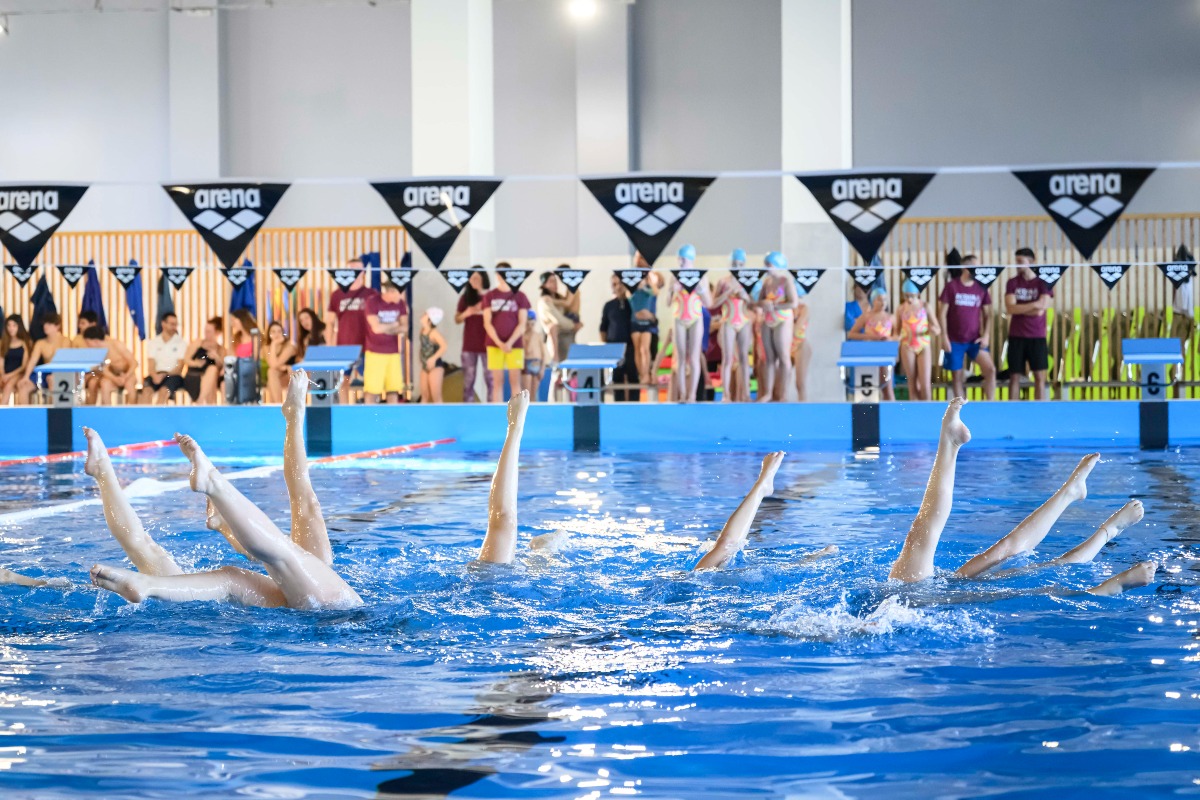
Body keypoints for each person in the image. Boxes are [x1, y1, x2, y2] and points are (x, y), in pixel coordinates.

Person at [89, 371, 362, 609]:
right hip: (327, 612)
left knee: (287, 549)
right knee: (241, 573)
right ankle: (149, 582)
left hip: (331, 609)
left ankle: (214, 485)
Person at [888, 397, 1155, 595]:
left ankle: (1070, 493)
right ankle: (1110, 547)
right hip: (924, 604)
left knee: (1004, 550)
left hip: (919, 593)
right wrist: (1117, 578)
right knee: (1041, 575)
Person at [939, 254, 996, 400]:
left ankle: (990, 405)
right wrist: (944, 337)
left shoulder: (981, 288)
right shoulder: (951, 286)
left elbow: (989, 314)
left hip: (974, 340)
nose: (978, 270)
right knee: (957, 377)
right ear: (965, 267)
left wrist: (986, 335)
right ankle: (964, 410)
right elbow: (942, 313)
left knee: (990, 370)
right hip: (954, 340)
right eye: (975, 267)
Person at [1005, 247, 1052, 400]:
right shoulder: (1012, 282)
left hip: (1037, 336)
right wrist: (1034, 304)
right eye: (1016, 261)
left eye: (1020, 261)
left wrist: (1021, 308)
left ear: (1031, 262)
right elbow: (1010, 308)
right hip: (1016, 335)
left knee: (1039, 376)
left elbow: (1042, 309)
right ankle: (1012, 408)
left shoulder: (1042, 283)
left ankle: (1040, 409)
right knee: (1014, 376)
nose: (1017, 265)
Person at [669, 244, 713, 403]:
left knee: (694, 358)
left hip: (695, 318)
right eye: (678, 258)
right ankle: (682, 394)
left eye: (682, 258)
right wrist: (672, 290)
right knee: (681, 358)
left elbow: (709, 303)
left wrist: (701, 290)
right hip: (679, 317)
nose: (679, 261)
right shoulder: (674, 276)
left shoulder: (701, 276)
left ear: (690, 259)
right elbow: (668, 302)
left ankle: (692, 394)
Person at [327, 260, 376, 403]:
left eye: (358, 269)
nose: (354, 272)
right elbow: (329, 322)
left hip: (367, 346)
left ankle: (370, 412)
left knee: (370, 382)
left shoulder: (371, 294)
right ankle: (343, 410)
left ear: (364, 272)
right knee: (343, 382)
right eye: (351, 269)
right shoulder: (337, 295)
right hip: (344, 346)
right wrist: (330, 345)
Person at [482, 268, 531, 403]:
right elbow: (487, 323)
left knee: (515, 381)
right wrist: (499, 343)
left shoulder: (520, 296)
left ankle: (517, 415)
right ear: (497, 275)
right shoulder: (490, 296)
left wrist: (509, 343)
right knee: (497, 382)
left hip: (514, 345)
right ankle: (496, 412)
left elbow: (522, 323)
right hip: (494, 344)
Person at [755, 252, 799, 402]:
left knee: (784, 357)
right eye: (766, 264)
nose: (766, 267)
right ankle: (768, 393)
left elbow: (794, 303)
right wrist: (764, 304)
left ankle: (783, 393)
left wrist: (774, 305)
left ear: (778, 265)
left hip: (782, 319)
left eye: (769, 264)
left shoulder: (786, 281)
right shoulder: (766, 282)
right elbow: (758, 302)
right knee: (769, 358)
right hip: (768, 319)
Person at [363, 280, 409, 405]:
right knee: (372, 390)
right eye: (400, 293)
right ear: (391, 292)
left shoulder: (400, 304)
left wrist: (386, 327)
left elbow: (405, 327)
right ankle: (370, 416)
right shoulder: (373, 302)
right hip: (374, 352)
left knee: (393, 389)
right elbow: (376, 328)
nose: (401, 297)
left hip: (393, 352)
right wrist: (394, 324)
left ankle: (392, 419)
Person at [847, 287, 897, 400]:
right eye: (879, 299)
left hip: (885, 355)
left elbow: (897, 335)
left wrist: (890, 338)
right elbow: (851, 334)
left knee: (887, 388)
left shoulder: (891, 318)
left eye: (885, 299)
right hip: (869, 354)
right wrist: (871, 337)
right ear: (873, 301)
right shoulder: (866, 316)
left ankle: (891, 413)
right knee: (869, 389)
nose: (883, 302)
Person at [896, 280, 940, 402]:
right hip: (907, 346)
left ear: (918, 294)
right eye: (906, 296)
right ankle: (914, 413)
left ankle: (927, 411)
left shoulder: (925, 306)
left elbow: (938, 329)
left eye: (912, 296)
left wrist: (932, 329)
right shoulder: (901, 309)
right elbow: (897, 332)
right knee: (912, 384)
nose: (909, 299)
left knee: (925, 384)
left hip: (923, 345)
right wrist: (896, 342)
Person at [599, 273, 638, 401]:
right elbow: (603, 328)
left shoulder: (632, 303)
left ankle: (635, 406)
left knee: (633, 378)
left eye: (621, 283)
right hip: (614, 349)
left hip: (632, 347)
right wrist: (606, 347)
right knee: (617, 379)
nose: (618, 287)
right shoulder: (609, 306)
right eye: (615, 284)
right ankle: (618, 405)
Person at [712, 275, 752, 403]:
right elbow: (713, 303)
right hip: (727, 320)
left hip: (743, 320)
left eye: (740, 264)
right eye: (735, 263)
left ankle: (746, 393)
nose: (737, 266)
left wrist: (745, 297)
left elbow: (754, 304)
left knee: (744, 358)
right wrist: (727, 293)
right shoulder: (723, 281)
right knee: (727, 359)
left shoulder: (747, 280)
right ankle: (726, 394)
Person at [455, 269, 493, 403]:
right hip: (469, 345)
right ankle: (468, 407)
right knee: (468, 380)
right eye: (471, 278)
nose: (474, 281)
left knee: (491, 380)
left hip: (488, 345)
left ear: (484, 279)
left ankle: (492, 408)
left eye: (477, 278)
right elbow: (457, 319)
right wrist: (468, 312)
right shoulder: (465, 298)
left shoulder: (490, 297)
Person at [17, 312, 66, 404]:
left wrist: (55, 374)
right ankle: (25, 416)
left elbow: (64, 361)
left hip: (60, 372)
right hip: (44, 372)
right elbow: (33, 361)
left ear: (57, 326)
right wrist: (26, 377)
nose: (45, 326)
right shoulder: (40, 343)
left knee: (52, 380)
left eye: (49, 324)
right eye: (44, 324)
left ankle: (52, 414)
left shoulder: (65, 341)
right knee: (23, 386)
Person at [141, 311, 187, 405]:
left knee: (163, 392)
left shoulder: (181, 343)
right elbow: (151, 364)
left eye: (175, 324)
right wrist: (154, 376)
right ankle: (144, 417)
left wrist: (166, 374)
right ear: (163, 324)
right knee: (146, 392)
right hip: (156, 374)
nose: (174, 327)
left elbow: (180, 366)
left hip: (172, 375)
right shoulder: (154, 342)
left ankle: (158, 418)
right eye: (172, 324)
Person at [83, 325, 137, 405]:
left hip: (127, 373)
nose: (87, 345)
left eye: (88, 343)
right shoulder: (97, 352)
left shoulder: (116, 345)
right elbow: (104, 370)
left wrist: (126, 376)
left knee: (130, 387)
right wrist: (115, 378)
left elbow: (133, 362)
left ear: (95, 341)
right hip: (112, 375)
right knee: (105, 384)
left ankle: (131, 412)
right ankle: (108, 412)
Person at [537, 271, 581, 366]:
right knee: (560, 370)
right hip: (556, 339)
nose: (555, 284)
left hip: (568, 336)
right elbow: (558, 320)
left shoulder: (558, 298)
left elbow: (570, 305)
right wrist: (573, 325)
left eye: (555, 281)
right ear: (544, 285)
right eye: (551, 281)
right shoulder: (545, 301)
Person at [629, 270, 662, 396]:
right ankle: (642, 374)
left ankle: (646, 373)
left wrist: (649, 281)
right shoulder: (633, 290)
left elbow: (656, 292)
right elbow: (628, 296)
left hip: (646, 322)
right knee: (638, 349)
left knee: (645, 349)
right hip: (635, 321)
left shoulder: (648, 289)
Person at [182, 316, 226, 405]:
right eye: (205, 331)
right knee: (212, 374)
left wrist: (216, 357)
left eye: (209, 332)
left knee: (213, 370)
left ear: (217, 333)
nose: (206, 334)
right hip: (194, 376)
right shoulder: (198, 343)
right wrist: (196, 364)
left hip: (211, 378)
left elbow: (223, 367)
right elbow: (186, 359)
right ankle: (204, 403)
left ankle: (202, 402)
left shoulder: (221, 349)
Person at [0, 314, 32, 406]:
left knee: (9, 385)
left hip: (18, 373)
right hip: (5, 374)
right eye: (9, 325)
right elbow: (1, 361)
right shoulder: (4, 342)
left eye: (14, 325)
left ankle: (2, 410)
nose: (11, 328)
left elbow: (23, 366)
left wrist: (9, 375)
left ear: (19, 326)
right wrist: (3, 374)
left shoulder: (25, 343)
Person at [263, 321, 298, 404]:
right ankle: (277, 405)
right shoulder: (266, 347)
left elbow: (274, 364)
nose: (276, 334)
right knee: (271, 373)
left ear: (283, 333)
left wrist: (284, 367)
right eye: (273, 331)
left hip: (292, 376)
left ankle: (276, 407)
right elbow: (272, 365)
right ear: (269, 334)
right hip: (278, 377)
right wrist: (274, 345)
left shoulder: (289, 346)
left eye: (279, 331)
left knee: (271, 374)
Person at [418, 307, 447, 405]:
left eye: (425, 314)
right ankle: (422, 417)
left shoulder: (434, 333)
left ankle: (440, 417)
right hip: (425, 366)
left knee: (436, 397)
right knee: (424, 396)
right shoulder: (423, 330)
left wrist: (433, 358)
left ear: (430, 320)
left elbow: (444, 346)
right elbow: (423, 347)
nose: (422, 315)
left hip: (435, 366)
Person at [792, 284, 812, 403]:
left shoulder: (803, 308)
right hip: (785, 346)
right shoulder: (785, 308)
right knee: (779, 384)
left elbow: (796, 328)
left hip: (800, 345)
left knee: (800, 383)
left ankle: (805, 411)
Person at [522, 311, 545, 400]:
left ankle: (534, 411)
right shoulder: (523, 336)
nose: (530, 326)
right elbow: (527, 351)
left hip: (537, 363)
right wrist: (529, 336)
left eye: (532, 324)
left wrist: (542, 369)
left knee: (534, 395)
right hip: (526, 362)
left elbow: (543, 354)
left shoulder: (538, 335)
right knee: (526, 394)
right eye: (527, 324)